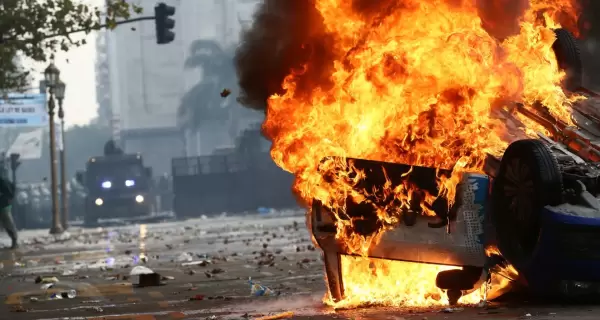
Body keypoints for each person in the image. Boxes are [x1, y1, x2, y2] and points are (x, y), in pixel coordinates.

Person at [0, 176, 18, 249]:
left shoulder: (3, 182)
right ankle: (14, 240)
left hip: (4, 205)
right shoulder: (4, 181)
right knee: (7, 223)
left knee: (8, 222)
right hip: (4, 204)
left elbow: (9, 193)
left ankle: (14, 240)